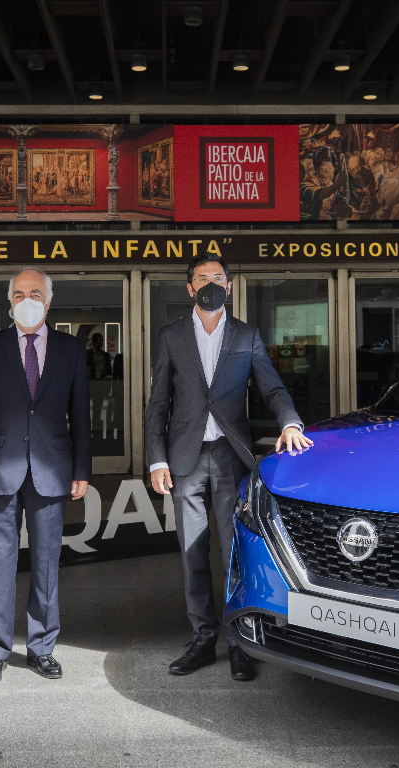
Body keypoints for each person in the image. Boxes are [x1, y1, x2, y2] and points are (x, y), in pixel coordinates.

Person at [145, 254, 313, 682]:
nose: (210, 285)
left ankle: (239, 642)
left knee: (235, 553)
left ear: (230, 285)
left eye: (218, 278)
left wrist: (290, 422)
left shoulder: (246, 335)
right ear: (189, 288)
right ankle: (202, 639)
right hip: (183, 459)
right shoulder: (170, 336)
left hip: (228, 456)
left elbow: (273, 388)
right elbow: (158, 404)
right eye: (202, 279)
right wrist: (157, 458)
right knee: (192, 553)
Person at [0, 267, 91, 687]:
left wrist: (82, 470)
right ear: (9, 301)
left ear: (49, 301)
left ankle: (41, 648)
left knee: (47, 564)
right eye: (19, 293)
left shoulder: (71, 349)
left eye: (35, 292)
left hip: (52, 470)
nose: (27, 299)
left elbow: (82, 416)